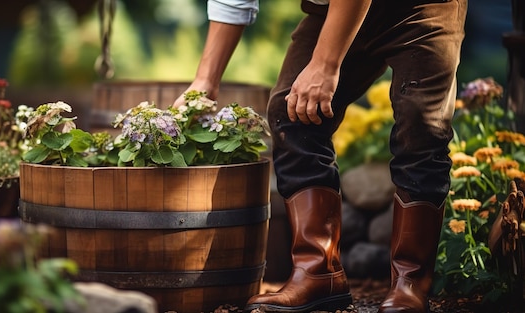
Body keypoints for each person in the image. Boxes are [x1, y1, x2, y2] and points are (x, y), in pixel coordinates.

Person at [173, 0, 467, 312]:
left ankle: (411, 283)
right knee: (291, 112)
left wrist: (325, 65)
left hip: (422, 9)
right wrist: (206, 81)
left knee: (420, 124)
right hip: (333, 9)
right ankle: (318, 273)